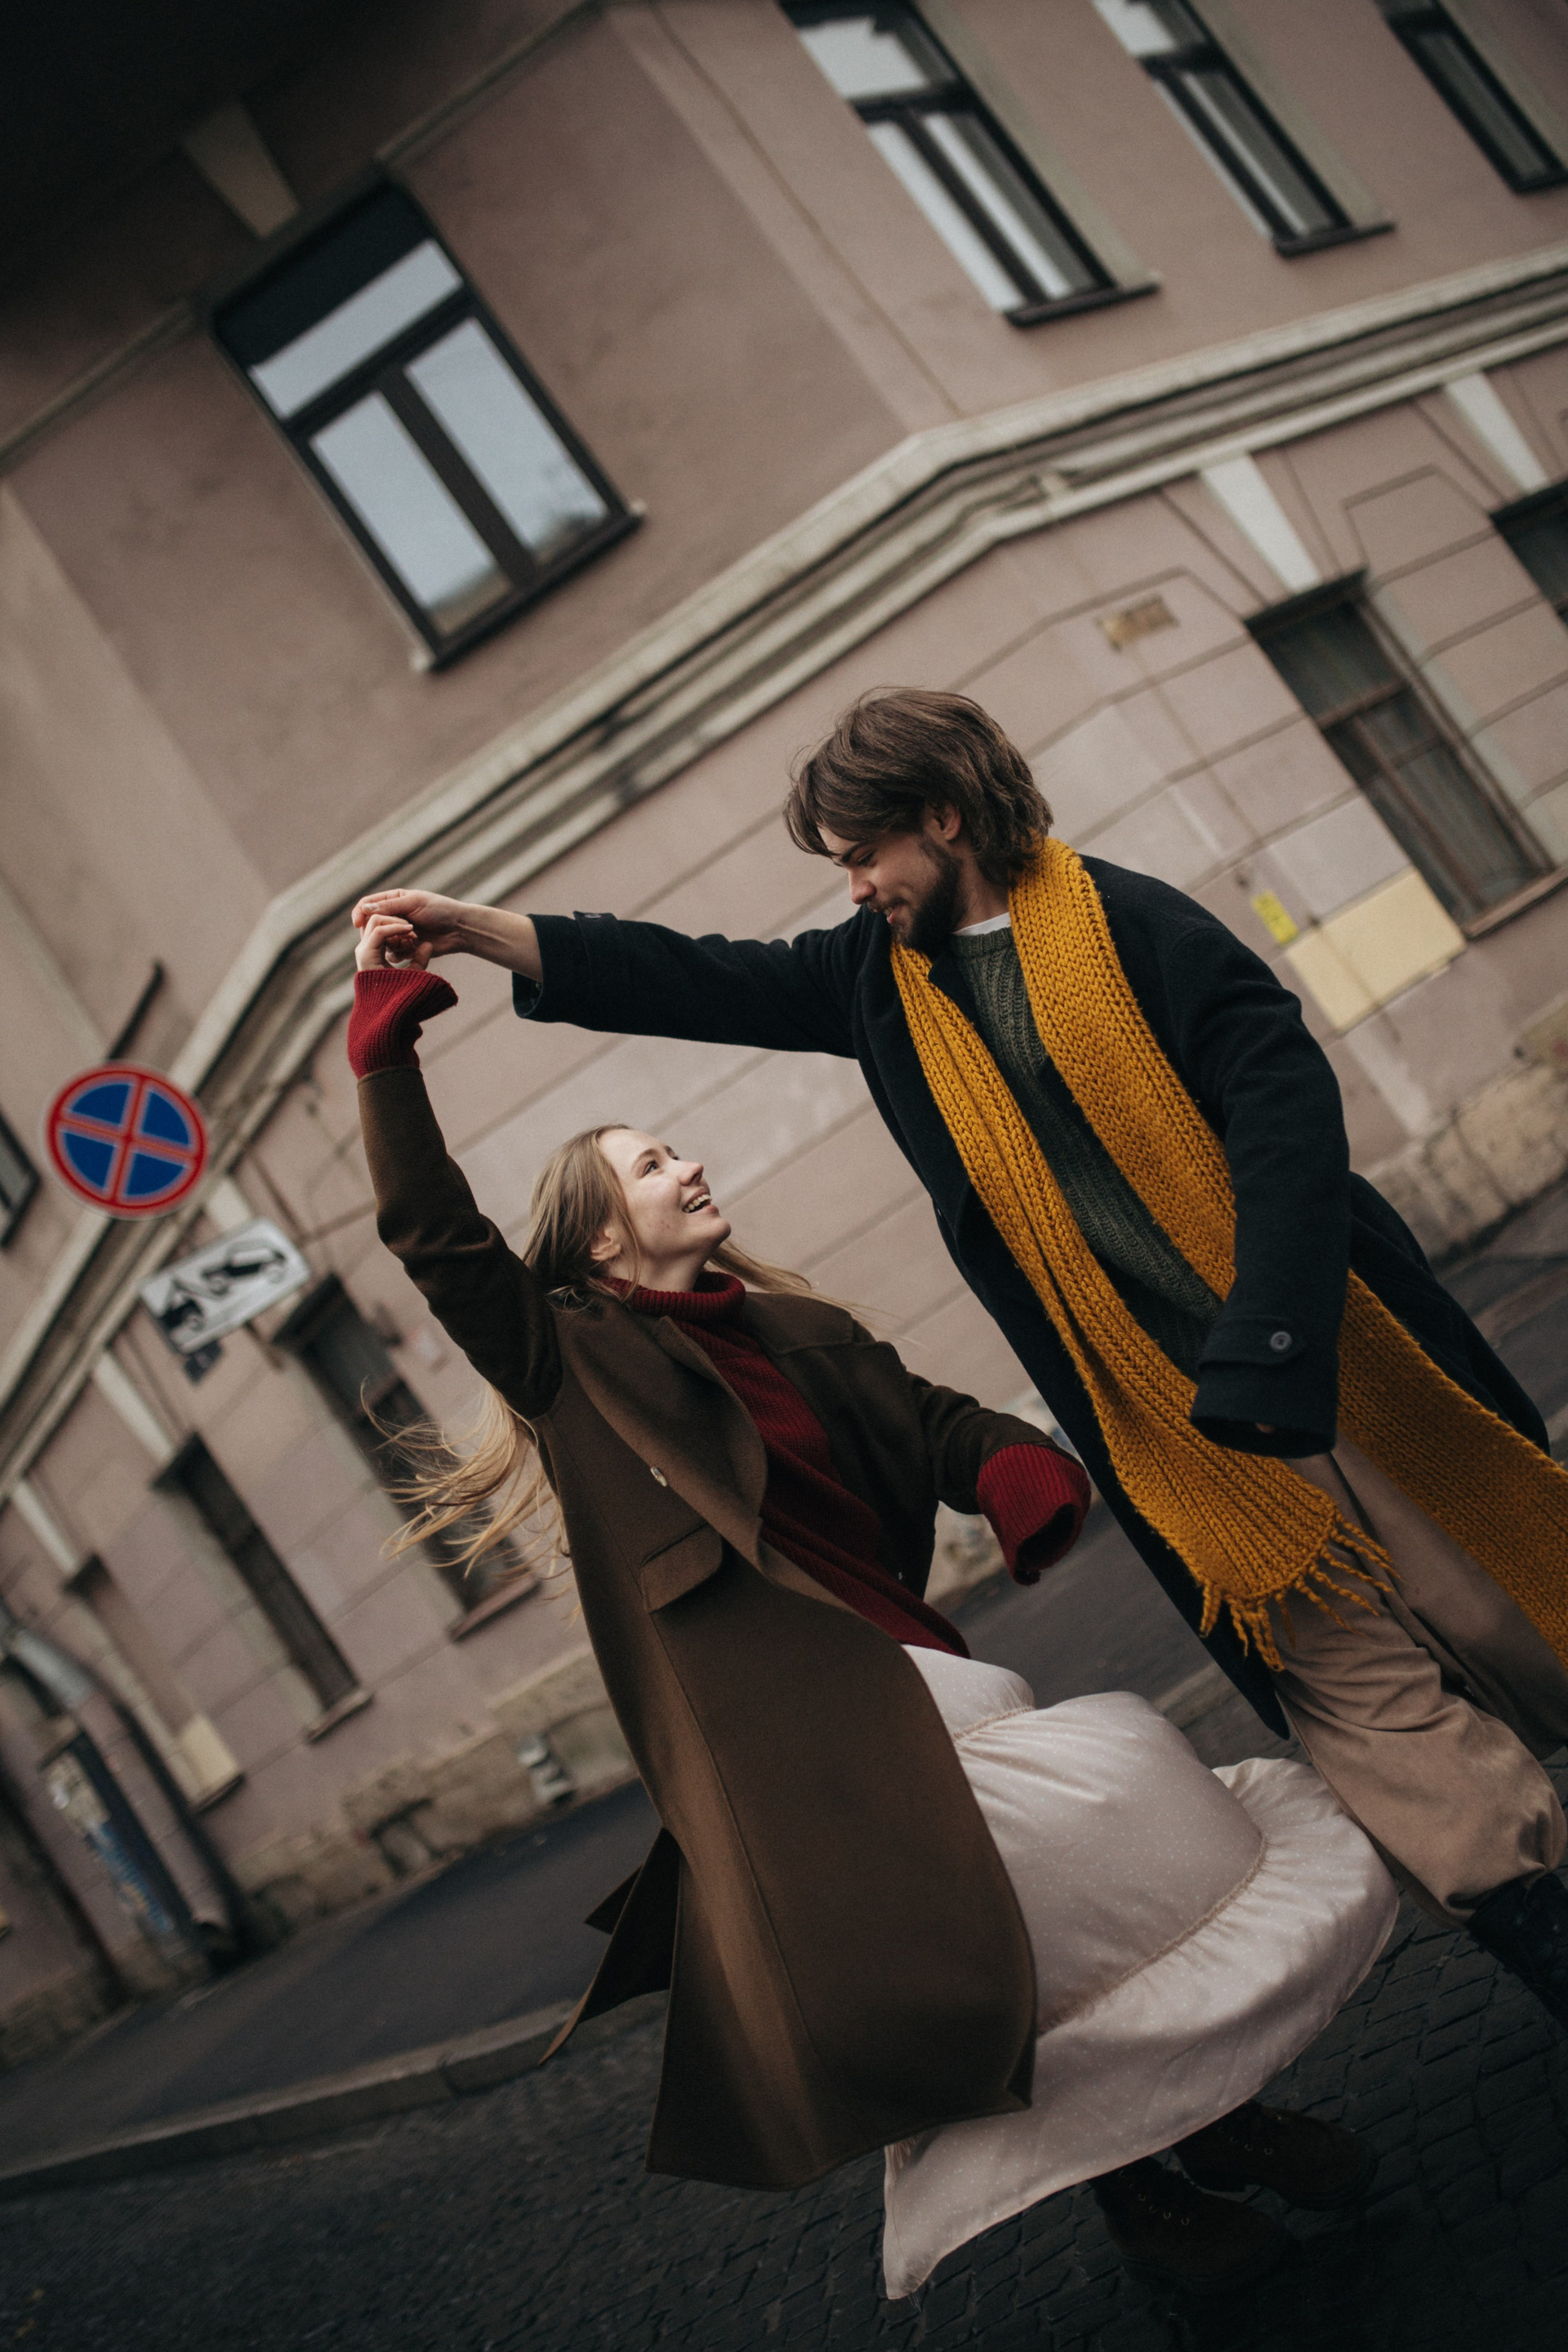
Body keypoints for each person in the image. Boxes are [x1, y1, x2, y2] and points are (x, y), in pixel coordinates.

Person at [354, 685, 1568, 2038]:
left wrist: (1273, 1339)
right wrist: (482, 931)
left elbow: (1286, 1122)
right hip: (1181, 1443)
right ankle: (1539, 1928)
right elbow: (693, 975)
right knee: (1376, 1716)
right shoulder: (875, 984)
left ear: (942, 817)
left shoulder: (1142, 927)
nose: (854, 888)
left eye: (863, 855)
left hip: (1345, 1376)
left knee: (1511, 1621)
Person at [348, 907, 1396, 2301]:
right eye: (652, 1165)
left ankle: (1210, 2120)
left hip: (918, 1680)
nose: (689, 1165)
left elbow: (930, 1416)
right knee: (1018, 1919)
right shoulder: (573, 1362)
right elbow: (434, 1238)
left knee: (1090, 1875)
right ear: (600, 1244)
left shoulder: (794, 1328)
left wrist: (1012, 1467)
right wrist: (384, 1058)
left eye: (674, 1148)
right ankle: (1149, 2196)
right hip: (794, 1751)